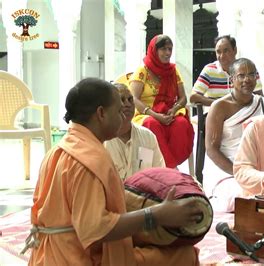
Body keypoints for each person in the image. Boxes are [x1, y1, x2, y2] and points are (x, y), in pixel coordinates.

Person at [26, 78, 202, 266]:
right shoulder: (89, 159)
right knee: (184, 256)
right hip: (78, 257)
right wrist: (156, 215)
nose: (124, 115)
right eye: (118, 110)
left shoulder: (61, 148)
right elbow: (96, 229)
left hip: (52, 253)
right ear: (101, 113)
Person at [204, 58, 264, 212]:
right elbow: (211, 149)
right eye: (241, 76)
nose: (247, 79)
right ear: (232, 80)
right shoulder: (219, 107)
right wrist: (239, 173)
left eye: (251, 75)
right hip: (227, 170)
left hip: (257, 168)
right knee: (239, 197)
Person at [129, 34, 194, 169]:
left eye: (170, 49)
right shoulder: (143, 71)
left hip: (169, 113)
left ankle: (170, 165)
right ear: (154, 50)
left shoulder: (173, 71)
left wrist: (174, 109)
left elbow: (183, 98)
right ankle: (169, 169)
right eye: (164, 49)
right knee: (150, 124)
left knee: (181, 124)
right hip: (145, 114)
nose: (168, 53)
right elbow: (133, 98)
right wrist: (154, 114)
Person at [104, 83, 165, 180]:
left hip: (145, 193)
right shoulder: (101, 141)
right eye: (122, 100)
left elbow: (160, 175)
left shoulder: (148, 136)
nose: (127, 104)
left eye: (130, 99)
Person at [190, 35, 263, 106]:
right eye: (218, 52)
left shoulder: (248, 68)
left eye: (226, 51)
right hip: (216, 115)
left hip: (243, 114)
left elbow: (259, 96)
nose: (222, 56)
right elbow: (193, 97)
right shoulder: (209, 70)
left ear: (235, 50)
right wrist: (221, 104)